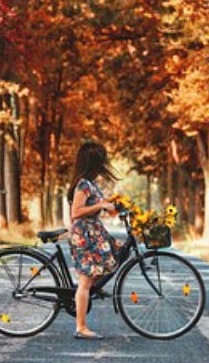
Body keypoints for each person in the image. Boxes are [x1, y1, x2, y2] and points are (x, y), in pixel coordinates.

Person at [66, 141, 119, 340]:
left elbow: (96, 208)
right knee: (85, 281)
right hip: (84, 236)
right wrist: (100, 206)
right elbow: (76, 213)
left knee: (106, 263)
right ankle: (81, 327)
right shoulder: (83, 185)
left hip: (93, 232)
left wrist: (112, 207)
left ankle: (88, 295)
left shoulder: (90, 183)